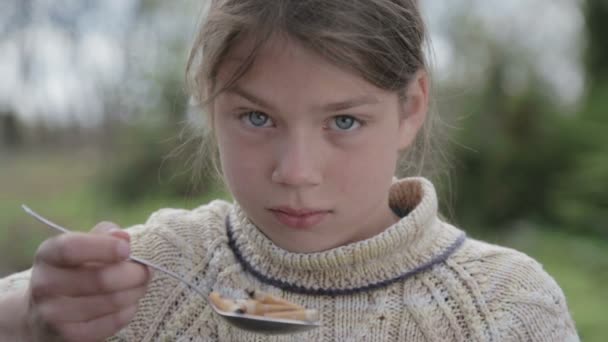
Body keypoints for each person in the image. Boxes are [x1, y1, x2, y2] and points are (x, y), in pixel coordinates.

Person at [0, 0, 579, 341]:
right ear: (209, 105)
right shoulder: (153, 273)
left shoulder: (506, 308)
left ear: (411, 109)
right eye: (256, 117)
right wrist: (27, 319)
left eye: (344, 122)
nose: (297, 173)